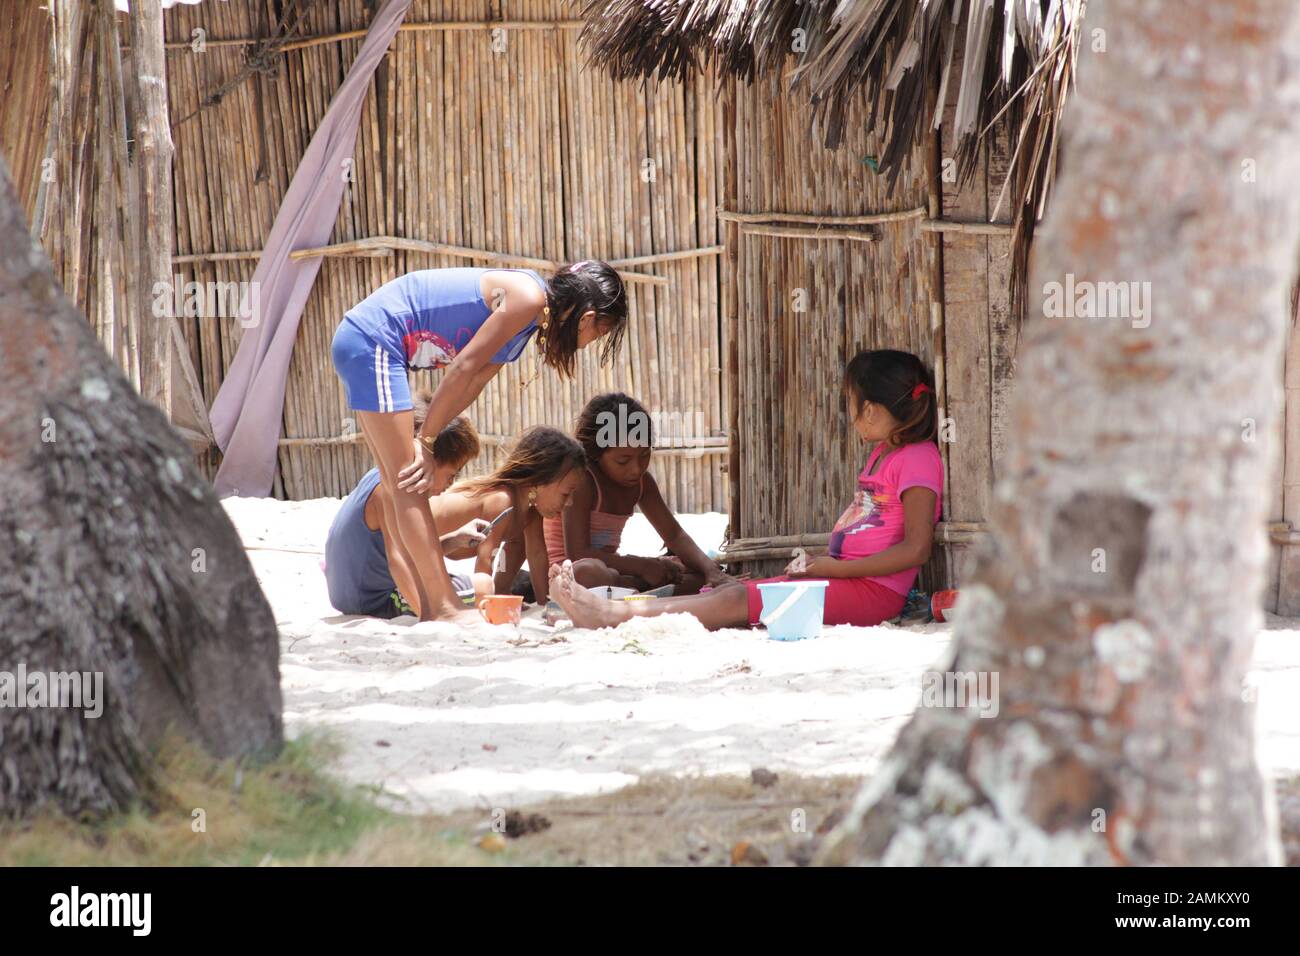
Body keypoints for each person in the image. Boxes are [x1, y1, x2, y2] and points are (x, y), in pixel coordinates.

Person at [548, 349, 943, 631]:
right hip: (850, 581)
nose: (851, 414)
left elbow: (915, 549)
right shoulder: (882, 455)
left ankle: (612, 614)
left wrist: (834, 567)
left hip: (872, 594)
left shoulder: (919, 459)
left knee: (735, 601)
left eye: (851, 404)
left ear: (871, 410)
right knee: (736, 592)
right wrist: (826, 563)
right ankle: (610, 608)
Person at [330, 261, 626, 620]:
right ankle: (443, 607)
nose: (587, 345)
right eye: (597, 334)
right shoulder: (529, 299)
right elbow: (463, 367)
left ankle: (429, 606)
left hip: (371, 343)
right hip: (375, 339)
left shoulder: (529, 321)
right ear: (586, 318)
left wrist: (428, 437)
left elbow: (474, 382)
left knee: (397, 485)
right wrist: (425, 442)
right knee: (409, 482)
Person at [542, 392, 730, 594]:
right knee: (591, 573)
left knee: (695, 570)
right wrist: (642, 566)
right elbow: (578, 553)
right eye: (623, 461)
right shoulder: (583, 482)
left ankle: (636, 588)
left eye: (644, 455)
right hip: (570, 575)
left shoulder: (642, 483)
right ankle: (644, 588)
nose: (636, 469)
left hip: (616, 574)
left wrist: (712, 571)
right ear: (595, 454)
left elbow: (674, 535)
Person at [323, 390, 484, 618]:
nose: (452, 483)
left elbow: (407, 549)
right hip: (374, 600)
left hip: (351, 594)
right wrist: (430, 615)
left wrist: (453, 540)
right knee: (484, 585)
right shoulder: (391, 490)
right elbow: (398, 561)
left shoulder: (380, 475)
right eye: (452, 474)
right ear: (429, 458)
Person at [438, 426, 587, 608]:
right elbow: (485, 561)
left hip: (441, 552)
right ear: (540, 480)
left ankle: (501, 590)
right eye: (566, 494)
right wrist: (486, 604)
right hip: (415, 547)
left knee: (520, 543)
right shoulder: (501, 500)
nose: (570, 502)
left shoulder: (531, 512)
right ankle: (493, 598)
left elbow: (537, 555)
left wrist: (545, 605)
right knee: (481, 585)